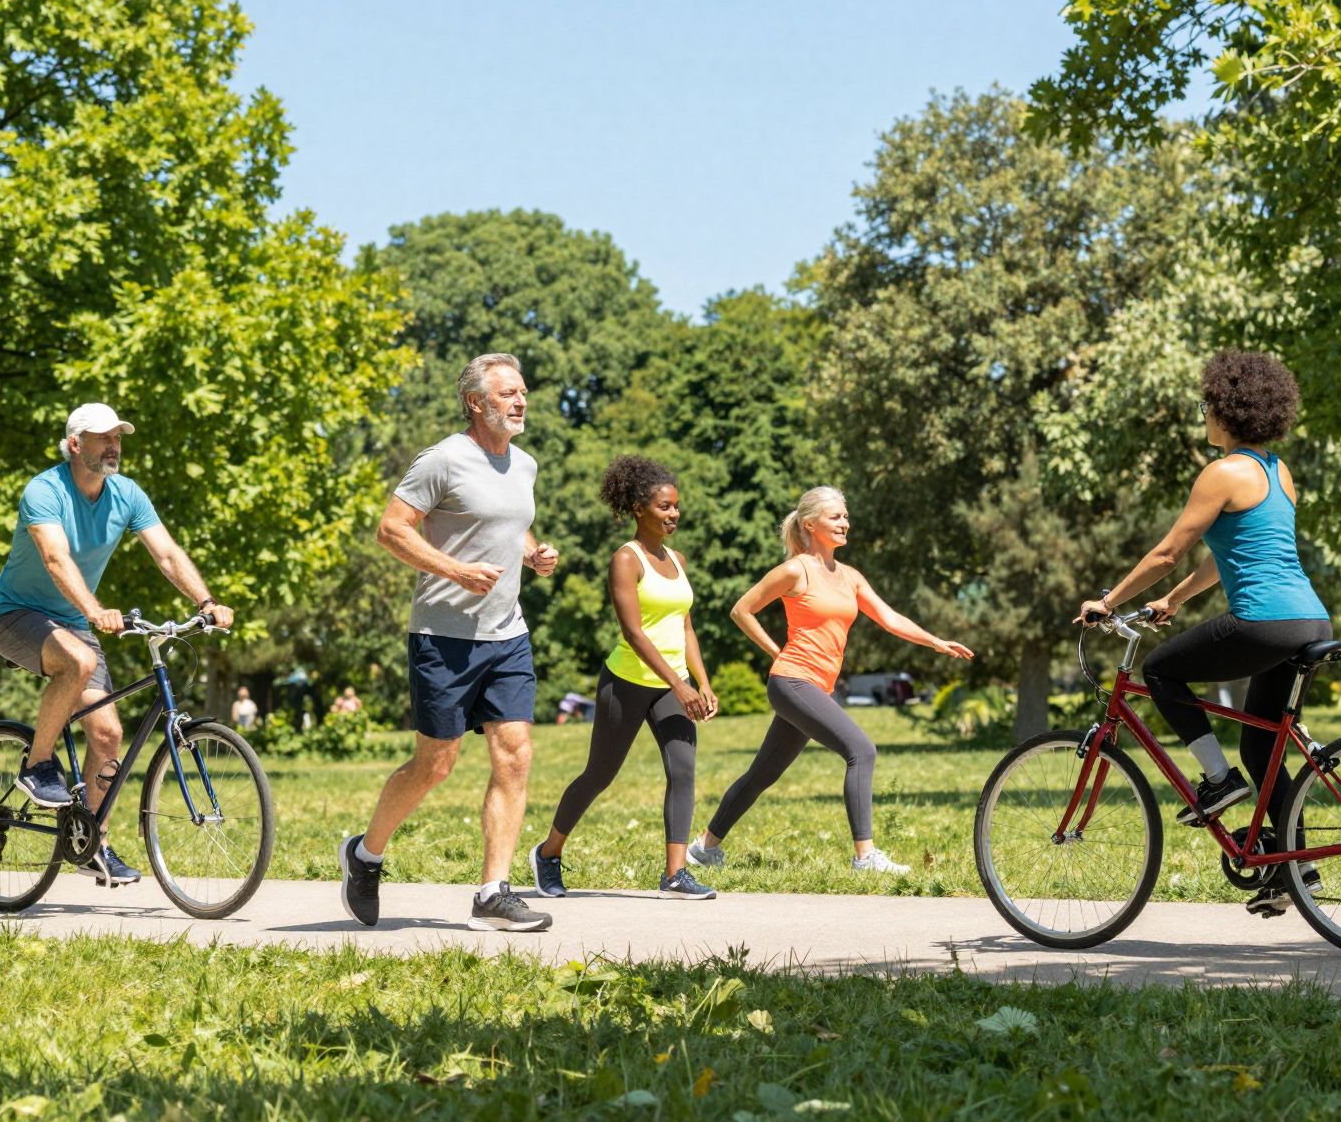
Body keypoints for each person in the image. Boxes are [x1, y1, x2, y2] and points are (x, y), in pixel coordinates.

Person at [1076, 350, 1332, 918]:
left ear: (1226, 410)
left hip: (1264, 621)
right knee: (1263, 741)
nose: (1204, 416)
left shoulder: (1221, 473)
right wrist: (1172, 601)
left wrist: (1108, 601)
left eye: (1206, 406)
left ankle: (1217, 783)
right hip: (1309, 619)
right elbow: (1226, 555)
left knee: (1161, 670)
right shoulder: (1277, 471)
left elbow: (1169, 552)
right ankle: (1297, 866)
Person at [339, 352, 561, 933]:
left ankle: (493, 892)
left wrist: (532, 552)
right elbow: (391, 529)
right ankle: (365, 855)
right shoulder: (442, 460)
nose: (520, 401)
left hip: (506, 632)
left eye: (523, 392)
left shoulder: (525, 465)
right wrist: (454, 570)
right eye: (508, 394)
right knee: (435, 765)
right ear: (476, 403)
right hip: (444, 636)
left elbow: (509, 527)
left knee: (515, 754)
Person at [0, 402, 236, 886]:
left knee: (107, 736)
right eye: (103, 438)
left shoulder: (127, 494)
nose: (114, 445)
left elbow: (166, 553)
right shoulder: (44, 490)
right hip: (18, 616)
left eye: (118, 437)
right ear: (75, 444)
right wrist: (95, 611)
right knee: (78, 660)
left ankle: (91, 842)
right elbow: (56, 560)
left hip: (74, 621)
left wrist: (206, 600)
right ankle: (37, 765)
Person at [691, 487, 971, 875]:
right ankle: (865, 856)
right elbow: (742, 610)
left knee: (763, 773)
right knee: (862, 750)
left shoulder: (850, 577)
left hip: (814, 686)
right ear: (810, 524)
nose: (845, 523)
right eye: (836, 517)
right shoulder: (796, 569)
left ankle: (704, 848)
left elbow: (889, 618)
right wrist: (777, 653)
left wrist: (935, 641)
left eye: (845, 516)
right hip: (792, 681)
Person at [531, 456, 720, 901]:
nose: (673, 514)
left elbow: (685, 625)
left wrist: (703, 681)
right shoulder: (625, 559)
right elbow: (633, 633)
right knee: (600, 773)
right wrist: (680, 684)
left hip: (674, 683)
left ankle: (675, 875)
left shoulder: (678, 559)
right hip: (628, 681)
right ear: (639, 508)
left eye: (676, 506)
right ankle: (548, 853)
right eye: (664, 507)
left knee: (684, 769)